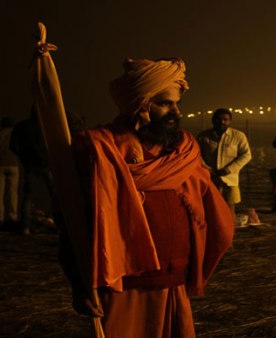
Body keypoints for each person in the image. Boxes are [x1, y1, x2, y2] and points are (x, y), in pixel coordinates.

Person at [60, 57, 234, 338]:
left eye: (177, 103)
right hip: (123, 284)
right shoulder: (101, 150)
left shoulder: (183, 151)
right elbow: (72, 220)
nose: (175, 111)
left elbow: (211, 212)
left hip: (174, 279)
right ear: (139, 105)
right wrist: (79, 285)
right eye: (165, 103)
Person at [197, 108, 252, 225]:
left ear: (230, 121)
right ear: (213, 120)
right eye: (219, 119)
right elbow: (197, 155)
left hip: (230, 179)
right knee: (210, 208)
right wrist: (207, 169)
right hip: (209, 178)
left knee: (229, 208)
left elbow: (246, 155)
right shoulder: (204, 136)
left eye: (225, 120)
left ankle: (229, 235)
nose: (222, 122)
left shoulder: (238, 136)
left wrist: (229, 169)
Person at [10, 106, 56, 235]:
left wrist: (23, 157)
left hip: (29, 164)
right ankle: (55, 221)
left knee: (28, 195)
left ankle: (25, 227)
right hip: (46, 163)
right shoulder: (46, 126)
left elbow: (13, 145)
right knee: (54, 194)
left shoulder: (21, 127)